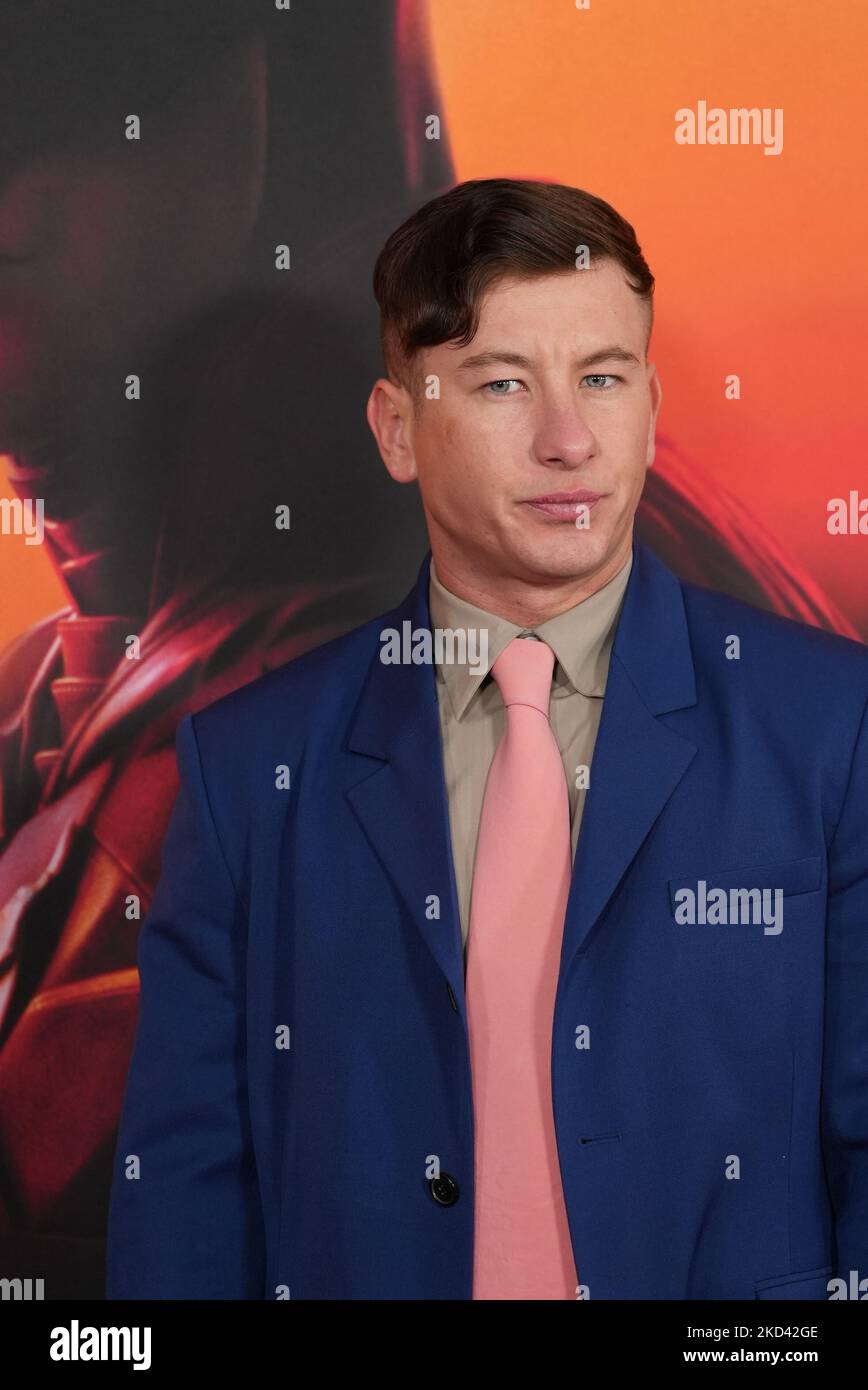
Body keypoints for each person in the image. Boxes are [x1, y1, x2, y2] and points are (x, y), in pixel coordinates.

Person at [106, 176, 868, 1301]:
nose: (568, 440)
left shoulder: (829, 723)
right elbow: (182, 1196)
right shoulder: (245, 769)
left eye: (602, 379)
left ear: (652, 410)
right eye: (504, 383)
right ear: (399, 430)